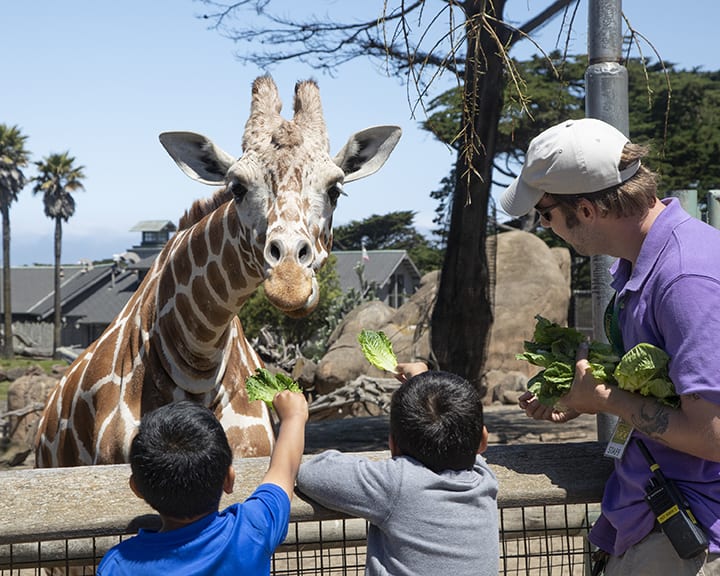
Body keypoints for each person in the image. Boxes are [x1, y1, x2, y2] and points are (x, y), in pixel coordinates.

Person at [501, 117, 720, 575]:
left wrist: (605, 399)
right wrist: (586, 399)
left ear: (585, 210)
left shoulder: (685, 278)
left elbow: (714, 436)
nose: (546, 227)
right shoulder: (647, 262)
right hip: (654, 521)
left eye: (546, 214)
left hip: (688, 537)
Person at [295, 365, 499, 576]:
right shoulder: (485, 479)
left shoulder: (397, 484)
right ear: (483, 440)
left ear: (392, 445)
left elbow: (311, 473)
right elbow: (455, 433)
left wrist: (293, 420)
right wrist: (422, 383)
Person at [97, 393, 308, 575]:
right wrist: (294, 418)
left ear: (137, 488)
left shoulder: (118, 565)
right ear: (229, 479)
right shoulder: (251, 529)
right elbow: (284, 472)